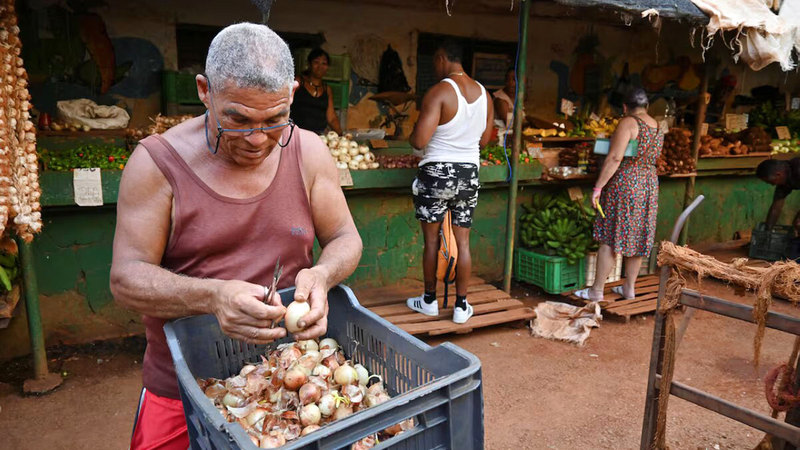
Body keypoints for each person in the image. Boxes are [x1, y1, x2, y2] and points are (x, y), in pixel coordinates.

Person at [110, 23, 362, 450]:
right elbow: (126, 279)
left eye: (275, 119)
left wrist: (322, 274)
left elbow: (345, 237)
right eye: (238, 119)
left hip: (293, 384)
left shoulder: (309, 152)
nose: (258, 139)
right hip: (185, 386)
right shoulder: (157, 163)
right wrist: (213, 297)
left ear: (293, 94)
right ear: (205, 91)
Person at [404, 39, 494, 324]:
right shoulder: (485, 96)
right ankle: (461, 306)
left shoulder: (440, 92)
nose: (435, 67)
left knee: (432, 241)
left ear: (443, 58)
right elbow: (484, 140)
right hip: (469, 173)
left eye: (435, 62)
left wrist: (411, 136)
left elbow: (419, 140)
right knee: (463, 241)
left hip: (437, 172)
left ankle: (429, 300)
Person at [575, 88, 663, 303]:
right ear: (647, 106)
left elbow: (615, 157)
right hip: (649, 182)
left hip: (626, 183)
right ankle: (629, 288)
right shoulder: (659, 125)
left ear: (625, 107)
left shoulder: (628, 123)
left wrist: (598, 188)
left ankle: (596, 291)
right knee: (639, 236)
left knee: (610, 235)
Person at [290, 47, 343, 135]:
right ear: (309, 64)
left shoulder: (327, 89)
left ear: (327, 67)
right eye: (316, 62)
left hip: (318, 136)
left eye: (324, 63)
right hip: (296, 134)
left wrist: (341, 135)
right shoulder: (299, 82)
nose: (320, 66)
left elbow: (331, 117)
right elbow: (285, 105)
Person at [756, 158, 800, 231]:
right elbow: (775, 208)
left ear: (778, 174)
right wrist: (768, 230)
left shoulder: (798, 169)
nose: (772, 185)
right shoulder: (783, 181)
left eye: (771, 182)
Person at [493, 67, 516, 131]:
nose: (510, 83)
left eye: (514, 79)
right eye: (508, 79)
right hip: (500, 137)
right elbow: (510, 124)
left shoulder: (516, 97)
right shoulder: (500, 99)